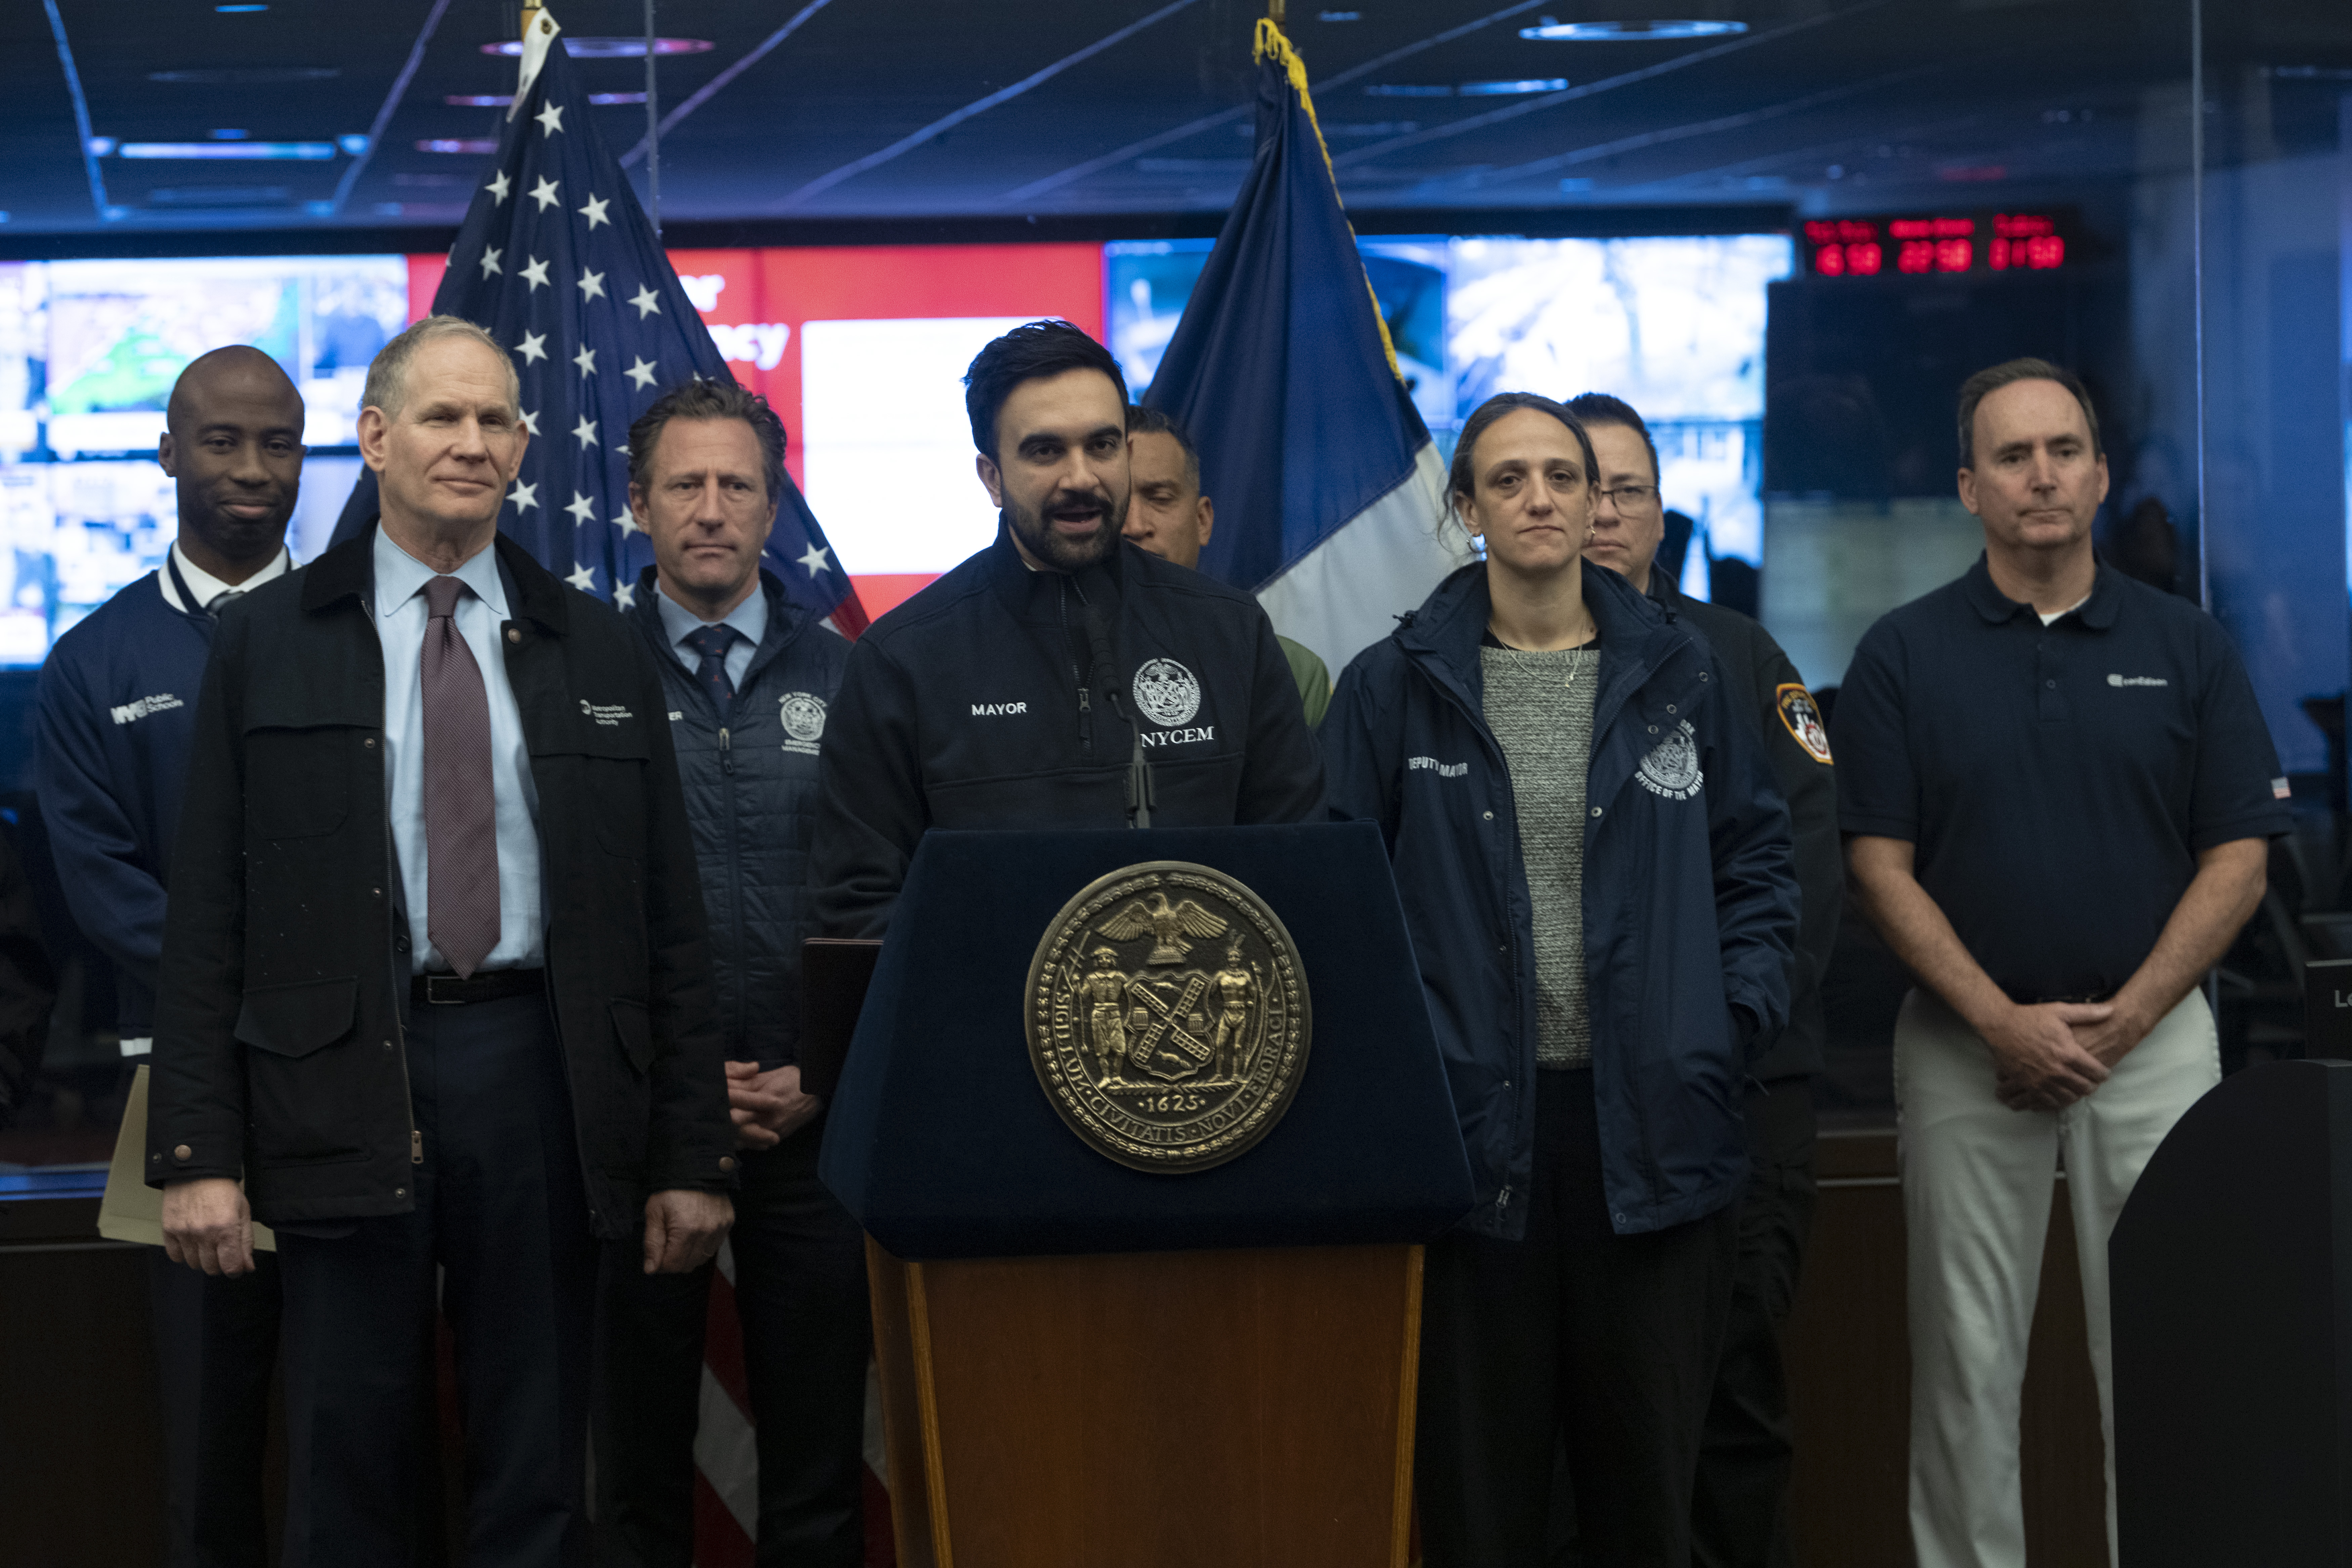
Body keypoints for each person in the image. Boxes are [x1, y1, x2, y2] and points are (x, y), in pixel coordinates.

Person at [148, 315, 736, 1568]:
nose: (472, 444)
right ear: (373, 439)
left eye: (495, 421)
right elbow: (208, 915)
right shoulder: (270, 639)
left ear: (524, 445)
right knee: (347, 1454)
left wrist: (691, 1152)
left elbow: (666, 923)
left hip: (546, 1077)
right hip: (340, 1073)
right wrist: (196, 1151)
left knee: (539, 1462)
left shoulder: (597, 641)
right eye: (441, 417)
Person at [1321, 392, 1797, 1566]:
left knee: (1646, 1496)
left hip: (1653, 1129)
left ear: (1598, 503)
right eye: (1510, 477)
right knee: (1485, 1503)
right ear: (1469, 507)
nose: (1539, 496)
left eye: (1563, 476)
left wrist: (1722, 1022)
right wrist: (1403, 1072)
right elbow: (1338, 900)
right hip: (1471, 1138)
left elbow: (1762, 867)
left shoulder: (1687, 675)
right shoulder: (1395, 684)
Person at [1836, 358, 2285, 1568]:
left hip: (2153, 1045)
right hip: (1962, 1046)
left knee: (2154, 1348)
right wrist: (1998, 1021)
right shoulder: (1899, 654)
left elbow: (2237, 855)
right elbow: (1877, 866)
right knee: (1966, 1360)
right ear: (1971, 487)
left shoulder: (2186, 645)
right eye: (2014, 455)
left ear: (2096, 472)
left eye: (2064, 450)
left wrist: (2130, 1017)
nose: (2043, 474)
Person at [36, 345, 303, 1568]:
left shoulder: (376, 627)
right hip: (184, 1083)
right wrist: (274, 992)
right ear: (165, 454)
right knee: (206, 1431)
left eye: (278, 442)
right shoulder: (94, 665)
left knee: (364, 1431)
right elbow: (101, 890)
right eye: (220, 441)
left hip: (373, 1078)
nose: (252, 469)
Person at [1567, 389, 1842, 1568]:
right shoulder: (1463, 667)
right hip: (1562, 1114)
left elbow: (1806, 879)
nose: (1600, 514)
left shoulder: (1738, 658)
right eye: (1576, 486)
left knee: (1728, 1412)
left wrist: (1705, 1038)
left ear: (1661, 512)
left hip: (1732, 1103)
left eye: (1625, 489)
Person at [596, 379, 865, 1567]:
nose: (712, 509)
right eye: (686, 485)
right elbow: (567, 908)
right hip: (648, 1128)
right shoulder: (578, 676)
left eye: (738, 485)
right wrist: (685, 1089)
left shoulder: (854, 675)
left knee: (820, 1464)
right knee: (637, 1464)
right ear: (638, 504)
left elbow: (889, 895)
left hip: (819, 1122)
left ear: (773, 505)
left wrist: (825, 1065)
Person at [812, 320, 1322, 936]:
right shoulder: (904, 660)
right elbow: (859, 910)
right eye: (1045, 451)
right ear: (992, 477)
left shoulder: (1229, 632)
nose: (1081, 477)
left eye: (1102, 446)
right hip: (990, 1025)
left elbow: (1302, 869)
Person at [1123, 403, 1333, 726]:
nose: (1135, 526)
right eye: (1115, 503)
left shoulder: (1290, 671)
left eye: (1160, 498)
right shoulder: (1035, 662)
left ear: (1202, 520)